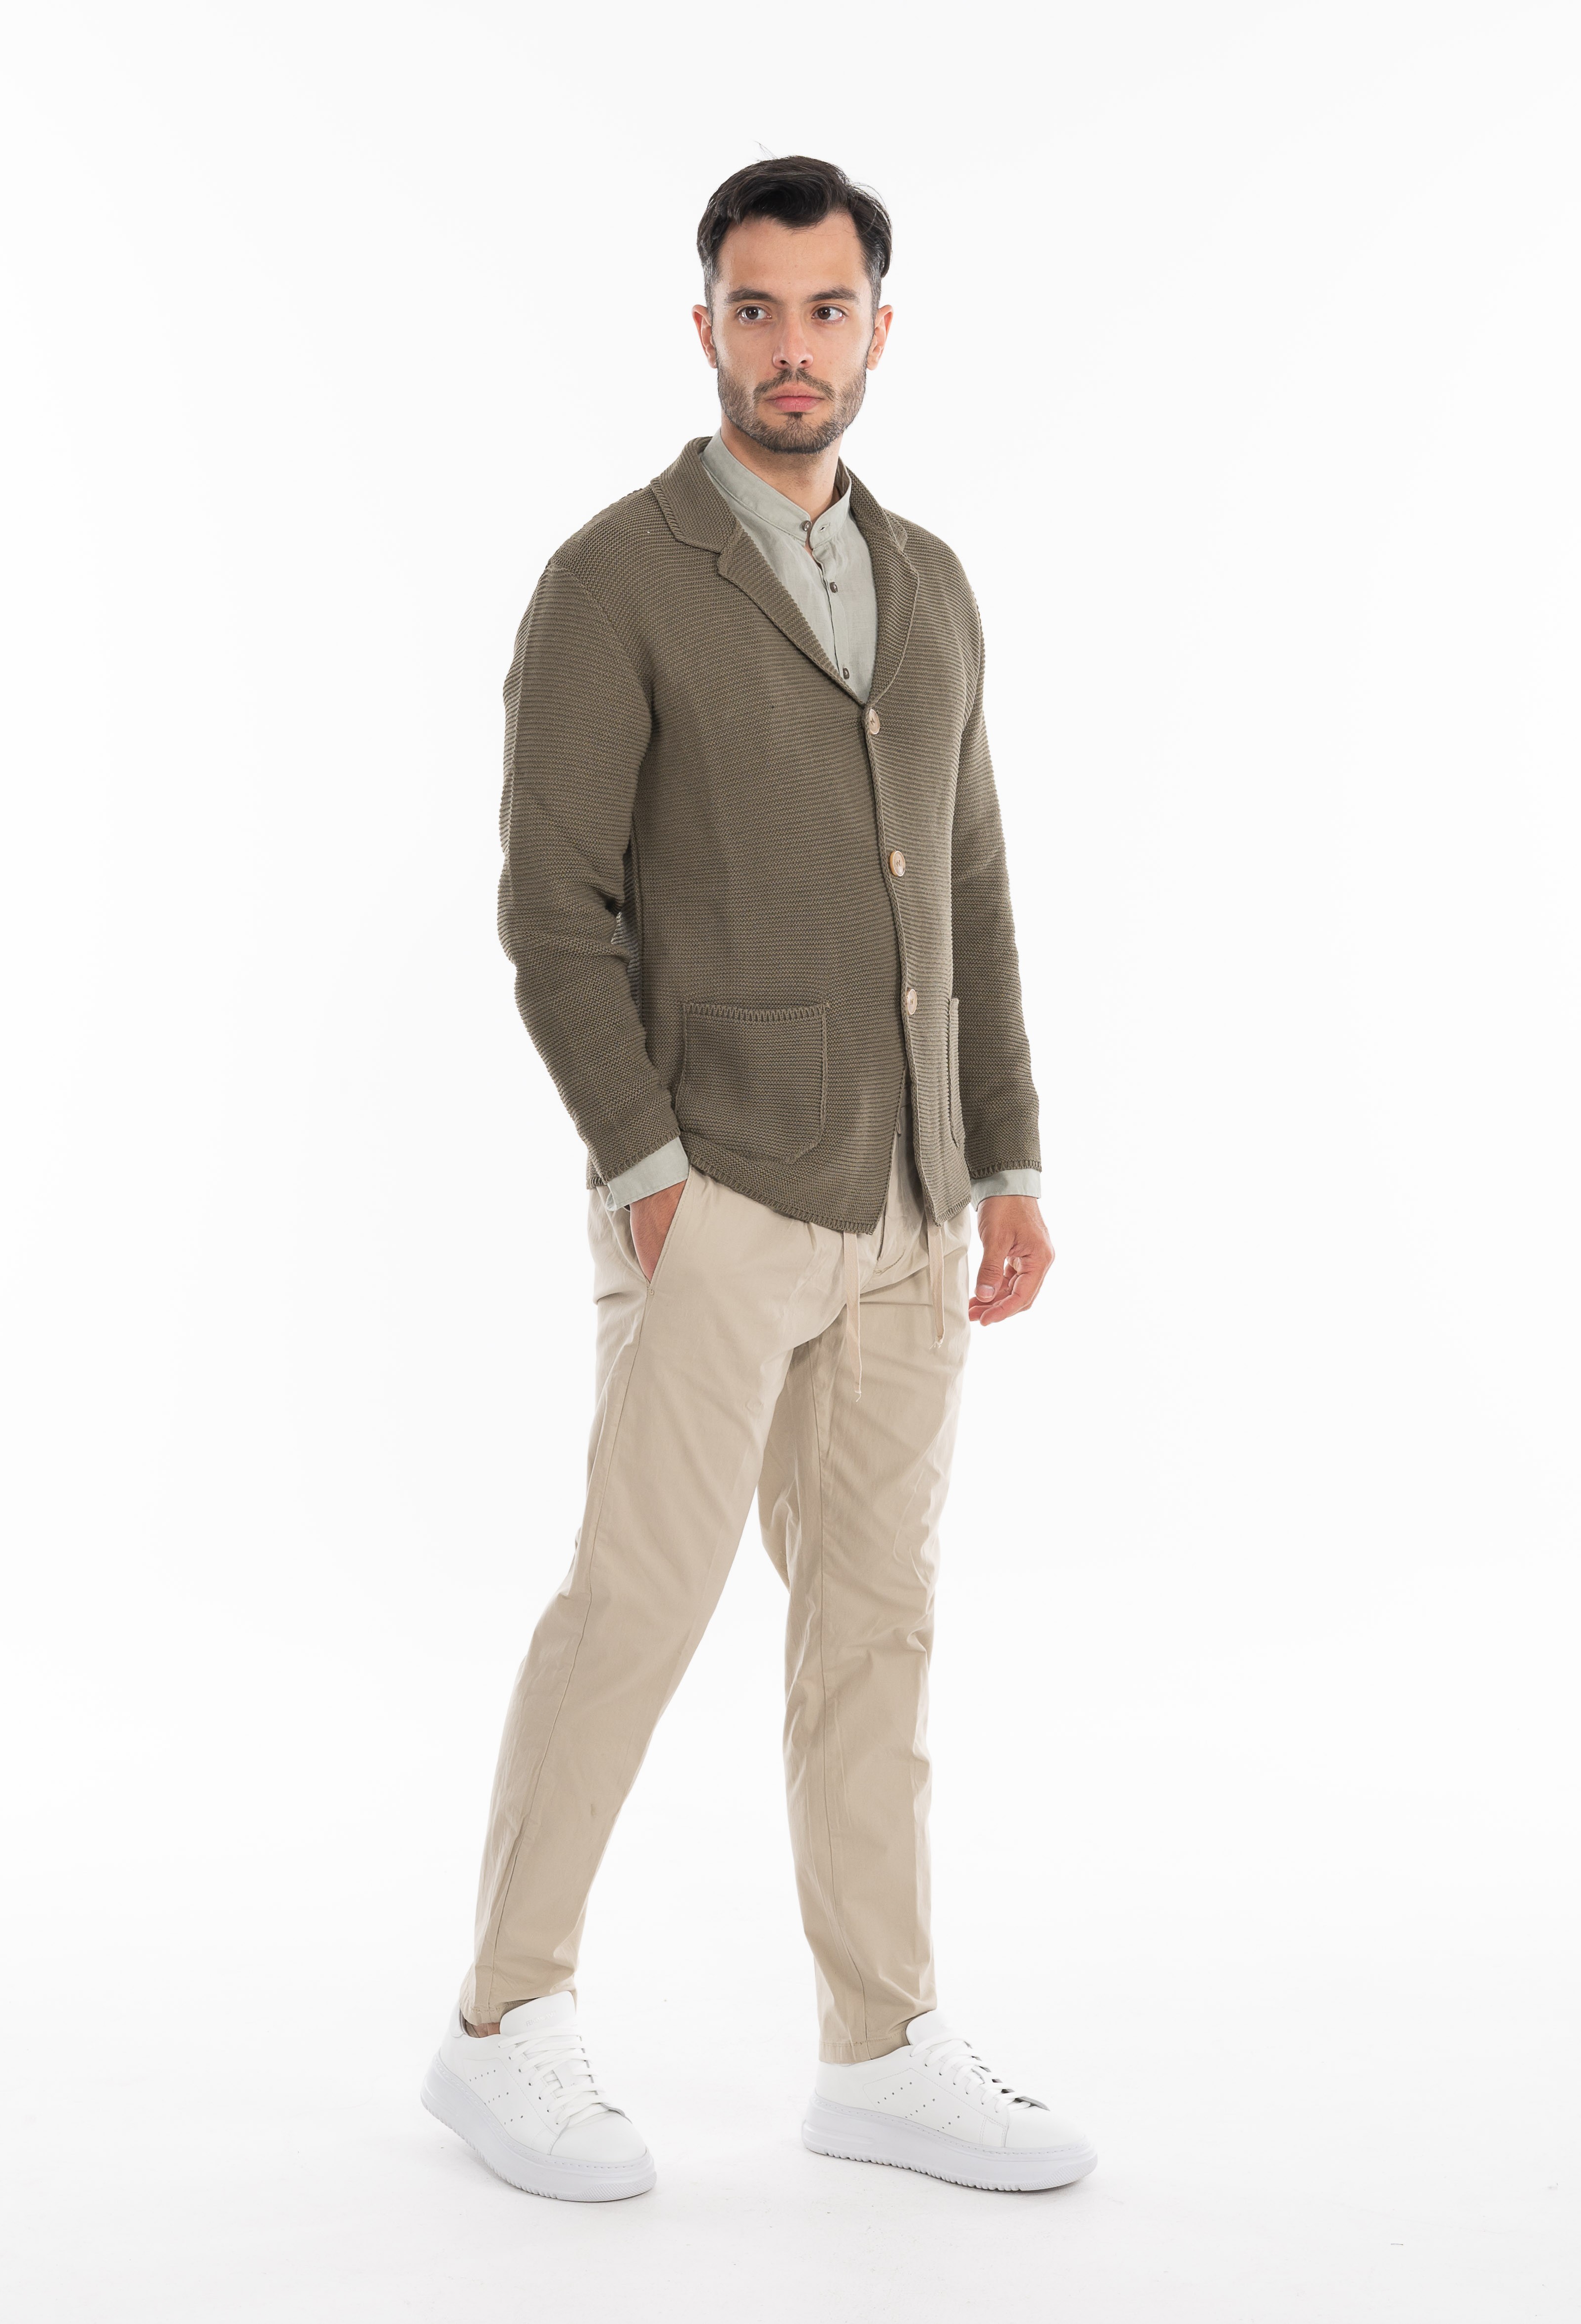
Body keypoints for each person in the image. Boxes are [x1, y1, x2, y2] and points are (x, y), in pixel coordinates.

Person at [419, 155, 1096, 2202]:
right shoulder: (614, 580)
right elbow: (553, 911)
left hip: (911, 1209)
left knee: (877, 1627)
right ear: (704, 326)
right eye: (755, 309)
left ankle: (879, 2042)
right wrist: (646, 1173)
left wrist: (1003, 1155)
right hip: (714, 1191)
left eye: (826, 310)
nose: (792, 348)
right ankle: (502, 2021)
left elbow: (970, 889)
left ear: (879, 328)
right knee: (637, 1604)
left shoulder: (936, 584)